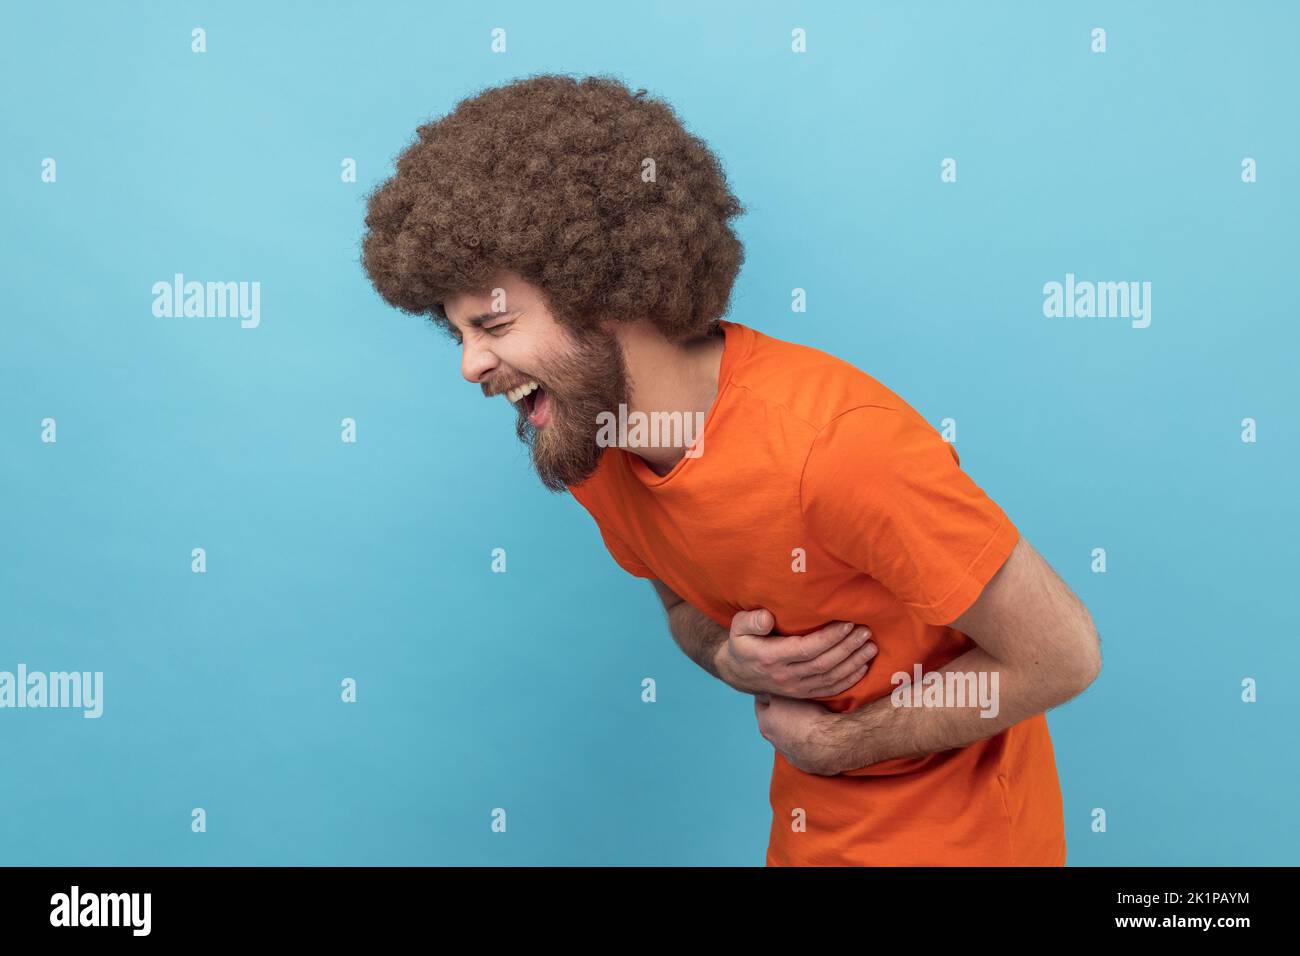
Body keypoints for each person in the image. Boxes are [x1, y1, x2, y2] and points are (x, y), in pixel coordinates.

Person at [361, 73, 1101, 865]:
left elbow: (1060, 655)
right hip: (810, 832)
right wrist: (727, 654)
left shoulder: (838, 449)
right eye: (460, 335)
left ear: (602, 292)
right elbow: (684, 602)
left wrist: (841, 743)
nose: (471, 365)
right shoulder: (591, 447)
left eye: (495, 325)